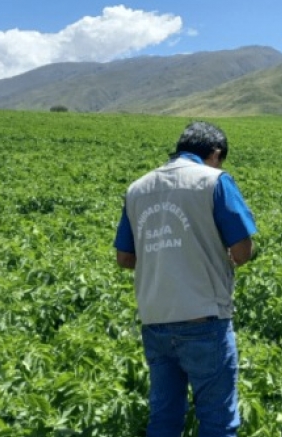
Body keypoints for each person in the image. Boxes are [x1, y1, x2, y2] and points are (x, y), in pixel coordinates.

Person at [114, 121, 257, 437]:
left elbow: (124, 258)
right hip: (204, 317)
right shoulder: (214, 181)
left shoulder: (137, 188)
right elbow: (243, 249)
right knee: (217, 421)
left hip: (155, 320)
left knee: (164, 418)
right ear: (216, 153)